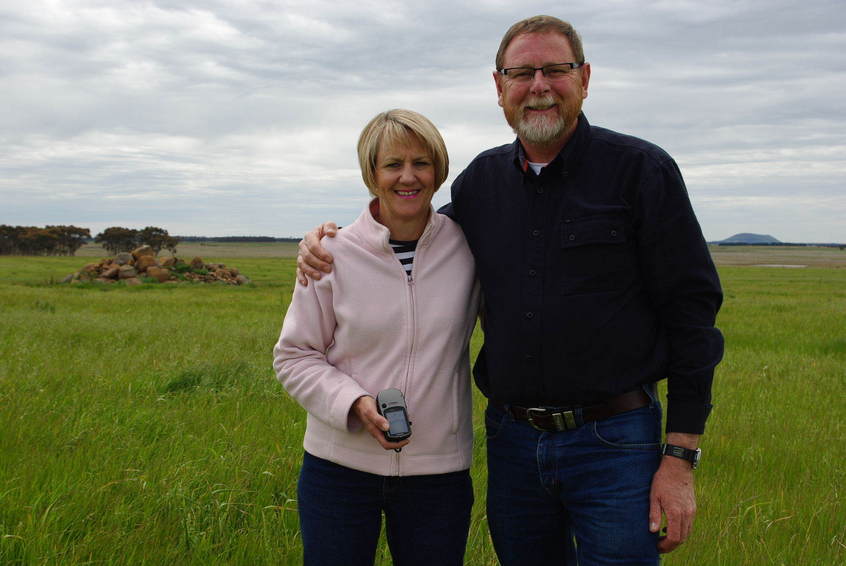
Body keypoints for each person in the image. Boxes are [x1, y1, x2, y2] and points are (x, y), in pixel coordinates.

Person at [296, 15, 723, 566]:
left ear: (585, 78)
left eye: (556, 70)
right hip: (515, 445)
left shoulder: (641, 172)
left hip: (615, 444)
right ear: (499, 88)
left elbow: (692, 316)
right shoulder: (481, 184)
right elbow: (413, 236)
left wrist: (680, 457)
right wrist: (330, 241)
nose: (539, 85)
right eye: (522, 73)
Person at [273, 108, 480, 566]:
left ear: (439, 171)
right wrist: (353, 403)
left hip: (438, 473)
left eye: (421, 163)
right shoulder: (330, 254)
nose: (408, 177)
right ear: (371, 173)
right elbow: (294, 356)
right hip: (338, 471)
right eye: (393, 164)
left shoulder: (470, 247)